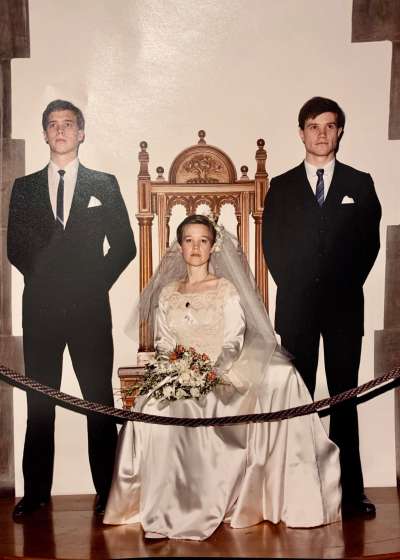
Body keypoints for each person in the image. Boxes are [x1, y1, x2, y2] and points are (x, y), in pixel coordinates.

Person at [104, 214, 341, 541]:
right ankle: (159, 511)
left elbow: (233, 339)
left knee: (206, 405)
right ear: (180, 247)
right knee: (154, 410)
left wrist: (209, 372)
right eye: (189, 240)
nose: (196, 247)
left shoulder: (225, 289)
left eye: (203, 240)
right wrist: (175, 370)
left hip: (221, 371)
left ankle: (205, 506)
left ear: (213, 247)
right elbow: (165, 343)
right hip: (180, 371)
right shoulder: (168, 293)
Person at [7, 99, 136, 519]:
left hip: (89, 310)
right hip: (40, 310)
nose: (60, 131)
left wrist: (91, 282)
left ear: (81, 133)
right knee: (39, 401)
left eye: (68, 124)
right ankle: (37, 493)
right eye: (52, 125)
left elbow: (125, 245)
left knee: (97, 400)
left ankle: (108, 491)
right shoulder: (24, 188)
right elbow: (15, 249)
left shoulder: (104, 183)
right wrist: (50, 281)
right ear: (44, 134)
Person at [262, 97, 381, 516]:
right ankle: (298, 488)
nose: (322, 134)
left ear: (340, 131)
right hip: (297, 310)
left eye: (330, 126)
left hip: (345, 310)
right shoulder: (282, 185)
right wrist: (301, 291)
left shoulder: (359, 184)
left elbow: (369, 246)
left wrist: (339, 288)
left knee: (345, 397)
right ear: (301, 132)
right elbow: (272, 248)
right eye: (314, 126)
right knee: (299, 399)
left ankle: (350, 492)